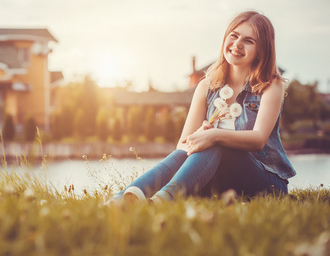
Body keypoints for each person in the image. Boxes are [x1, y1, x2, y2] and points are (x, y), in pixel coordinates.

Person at [106, 11, 296, 206]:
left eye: (249, 41)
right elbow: (183, 144)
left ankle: (163, 200)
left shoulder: (271, 85)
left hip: (266, 183)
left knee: (216, 143)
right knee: (186, 152)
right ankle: (124, 198)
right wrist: (200, 135)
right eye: (234, 35)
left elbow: (258, 139)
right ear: (225, 39)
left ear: (262, 50)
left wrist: (214, 135)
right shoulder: (206, 86)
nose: (237, 44)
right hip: (218, 180)